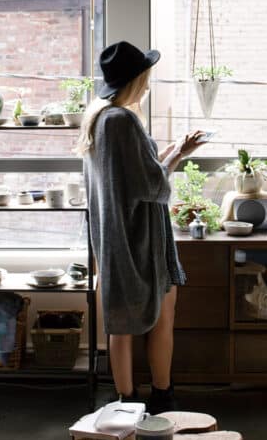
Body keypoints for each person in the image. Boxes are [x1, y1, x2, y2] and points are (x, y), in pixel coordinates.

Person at [76, 41, 205, 414]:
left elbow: (134, 174)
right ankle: (163, 397)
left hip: (115, 239)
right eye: (145, 76)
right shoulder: (124, 120)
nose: (148, 83)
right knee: (163, 317)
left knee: (119, 322)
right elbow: (152, 186)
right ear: (135, 79)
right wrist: (179, 156)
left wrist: (171, 151)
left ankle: (125, 403)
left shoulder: (100, 118)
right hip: (141, 240)